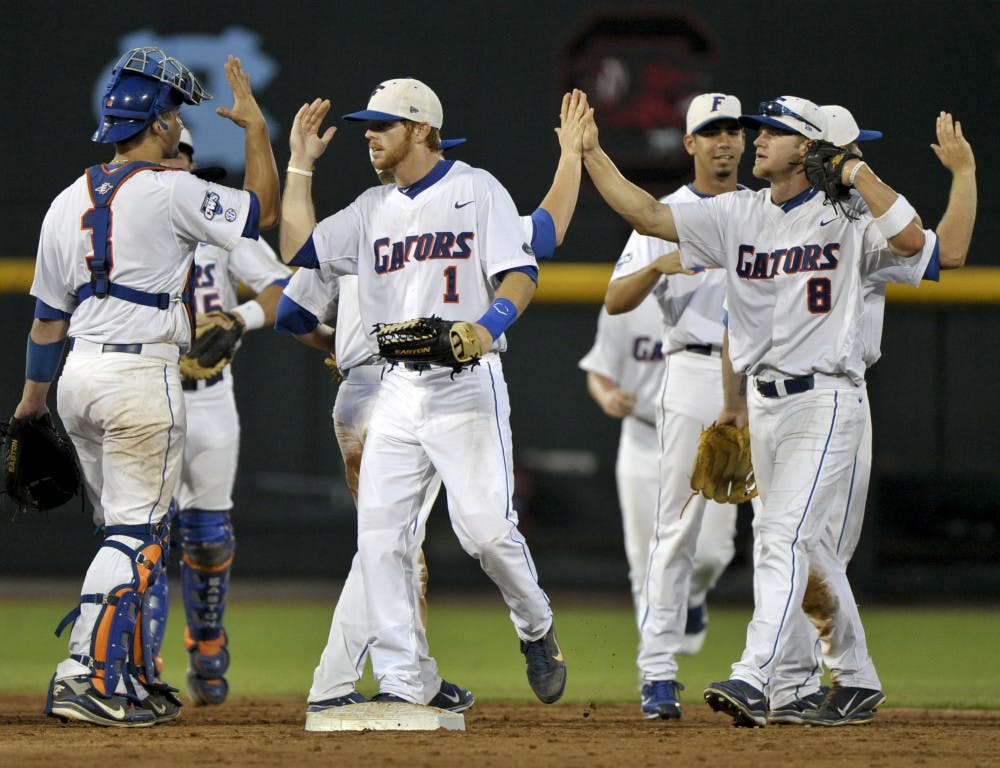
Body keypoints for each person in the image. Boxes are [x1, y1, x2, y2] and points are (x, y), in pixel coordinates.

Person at [580, 93, 930, 728]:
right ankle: (851, 676)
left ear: (809, 148)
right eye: (757, 129)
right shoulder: (738, 213)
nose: (754, 139)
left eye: (773, 131)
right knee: (806, 549)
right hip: (760, 401)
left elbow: (917, 242)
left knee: (781, 539)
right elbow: (650, 214)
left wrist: (853, 171)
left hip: (826, 397)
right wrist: (590, 154)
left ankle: (755, 675)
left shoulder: (848, 215)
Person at [278, 92, 588, 722]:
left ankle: (535, 624)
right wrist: (300, 165)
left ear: (421, 128)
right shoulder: (370, 208)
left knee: (488, 534)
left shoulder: (477, 190)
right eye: (366, 128)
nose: (369, 137)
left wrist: (485, 325)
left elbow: (523, 270)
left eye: (381, 127)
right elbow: (297, 249)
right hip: (396, 390)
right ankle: (399, 681)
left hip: (467, 385)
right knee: (382, 539)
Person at [17, 47, 278, 728]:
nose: (176, 124)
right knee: (135, 536)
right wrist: (255, 129)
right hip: (140, 375)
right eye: (174, 115)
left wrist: (29, 409)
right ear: (158, 126)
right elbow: (266, 210)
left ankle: (127, 673)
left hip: (78, 374)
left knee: (132, 534)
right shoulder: (171, 189)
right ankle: (85, 674)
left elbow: (46, 323)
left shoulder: (63, 201)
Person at [767, 107, 977, 726]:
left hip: (836, 398)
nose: (862, 154)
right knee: (792, 546)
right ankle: (795, 681)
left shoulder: (862, 222)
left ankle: (847, 677)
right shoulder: (776, 220)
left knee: (808, 543)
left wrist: (963, 174)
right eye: (852, 148)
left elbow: (950, 252)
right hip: (774, 404)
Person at [588, 94, 748, 720]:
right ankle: (657, 673)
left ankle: (780, 670)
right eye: (710, 132)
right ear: (690, 145)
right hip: (691, 371)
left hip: (759, 377)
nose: (724, 141)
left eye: (732, 130)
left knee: (718, 550)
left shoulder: (764, 210)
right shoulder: (668, 213)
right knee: (676, 528)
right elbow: (615, 300)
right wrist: (658, 264)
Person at [142, 127, 291, 707]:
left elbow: (283, 288)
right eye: (168, 156)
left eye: (184, 158)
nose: (176, 166)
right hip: (144, 392)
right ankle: (141, 662)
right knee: (145, 537)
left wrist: (240, 320)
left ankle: (206, 640)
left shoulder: (216, 229)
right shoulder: (121, 227)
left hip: (206, 397)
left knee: (205, 538)